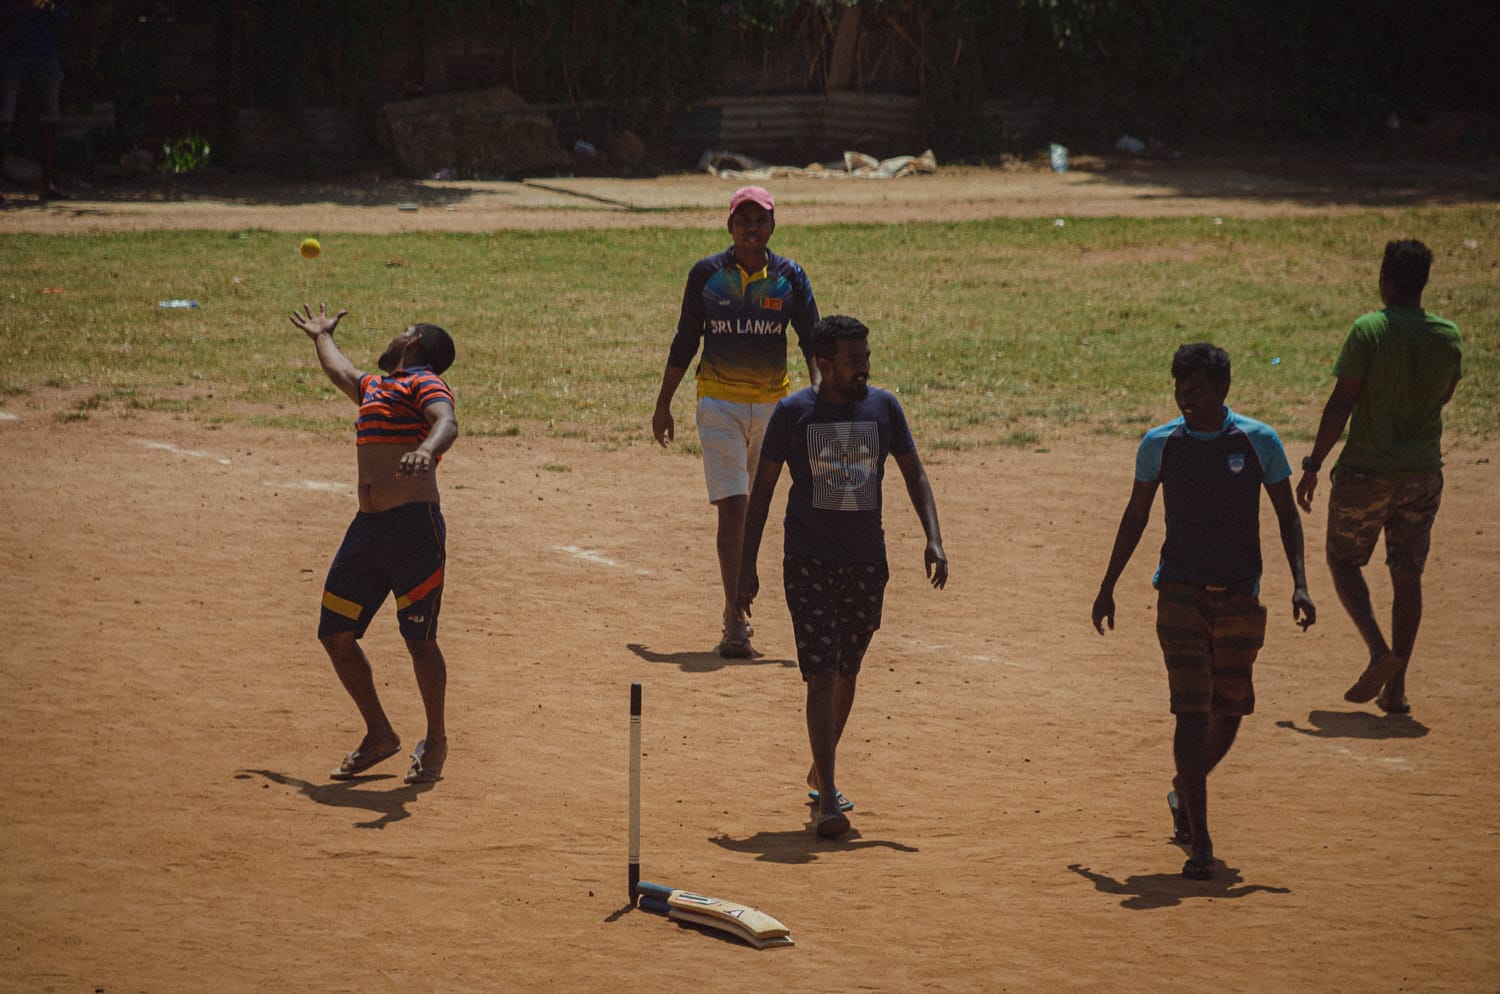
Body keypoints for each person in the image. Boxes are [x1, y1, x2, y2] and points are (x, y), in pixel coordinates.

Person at [1092, 343, 1315, 880]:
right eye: (1179, 390)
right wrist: (1107, 586)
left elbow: (1287, 517)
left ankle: (1182, 790)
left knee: (1230, 711)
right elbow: (1135, 516)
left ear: (1223, 391)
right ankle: (1201, 842)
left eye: (1195, 390)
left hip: (1240, 593)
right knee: (1191, 712)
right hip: (1180, 594)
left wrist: (1301, 585)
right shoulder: (1160, 445)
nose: (1185, 399)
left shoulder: (1258, 442)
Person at [738, 315, 948, 838]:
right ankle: (828, 796)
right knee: (822, 671)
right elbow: (761, 492)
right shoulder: (793, 414)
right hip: (806, 560)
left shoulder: (884, 408)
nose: (864, 370)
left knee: (847, 670)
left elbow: (913, 471)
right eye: (854, 361)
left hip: (866, 562)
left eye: (867, 360)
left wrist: (934, 537)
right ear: (823, 363)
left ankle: (820, 764)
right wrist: (744, 567)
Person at [289, 303, 459, 786]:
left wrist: (426, 450)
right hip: (367, 529)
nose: (388, 342)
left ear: (412, 342)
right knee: (335, 634)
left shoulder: (423, 382)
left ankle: (438, 740)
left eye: (397, 334)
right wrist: (321, 335)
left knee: (419, 642)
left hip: (413, 529)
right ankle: (380, 733)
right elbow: (340, 370)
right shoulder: (375, 388)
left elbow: (446, 421)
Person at [652, 185, 820, 659]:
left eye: (761, 220)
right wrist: (664, 403)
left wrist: (819, 400)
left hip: (775, 408)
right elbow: (686, 339)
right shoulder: (707, 276)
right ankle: (734, 617)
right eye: (743, 220)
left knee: (760, 505)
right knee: (733, 507)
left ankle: (744, 580)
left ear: (773, 225)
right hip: (719, 404)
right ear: (729, 226)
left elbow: (812, 341)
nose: (752, 228)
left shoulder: (791, 277)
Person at [1295, 239, 1463, 715]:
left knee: (1344, 562)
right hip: (1424, 473)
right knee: (1407, 574)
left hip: (1366, 472)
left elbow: (1343, 401)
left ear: (1385, 280)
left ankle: (1377, 651)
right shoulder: (1447, 335)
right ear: (1423, 283)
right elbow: (1445, 395)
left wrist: (1313, 464)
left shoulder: (1368, 329)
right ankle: (1397, 687)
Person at [0, 0, 67, 200]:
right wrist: (25, 7)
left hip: (46, 57)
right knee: (3, 118)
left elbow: (64, 18)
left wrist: (47, 7)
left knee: (50, 119)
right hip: (12, 56)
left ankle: (46, 185)